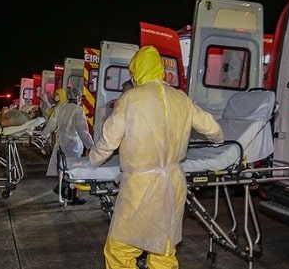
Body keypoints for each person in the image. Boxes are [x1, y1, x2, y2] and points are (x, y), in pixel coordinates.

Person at [89, 46, 223, 269]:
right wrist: (219, 141)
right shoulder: (181, 98)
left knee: (120, 249)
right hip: (173, 181)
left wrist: (91, 162)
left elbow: (108, 141)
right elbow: (212, 128)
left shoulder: (131, 98)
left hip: (140, 185)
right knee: (164, 248)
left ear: (137, 70)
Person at [43, 87, 94, 205]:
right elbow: (83, 131)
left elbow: (52, 122)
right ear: (77, 97)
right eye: (80, 98)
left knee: (64, 170)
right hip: (73, 146)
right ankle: (71, 197)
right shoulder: (78, 110)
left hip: (61, 144)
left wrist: (44, 134)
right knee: (73, 171)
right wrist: (91, 146)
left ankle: (64, 193)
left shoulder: (62, 107)